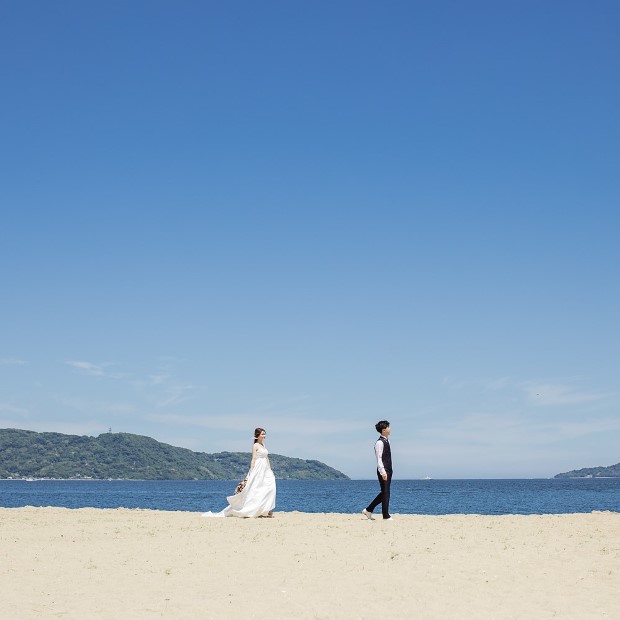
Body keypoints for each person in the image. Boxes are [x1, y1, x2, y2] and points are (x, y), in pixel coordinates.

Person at [202, 428, 276, 518]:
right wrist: (251, 472)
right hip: (258, 468)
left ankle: (264, 509)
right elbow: (253, 459)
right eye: (262, 434)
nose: (264, 436)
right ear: (257, 435)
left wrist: (270, 469)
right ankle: (256, 510)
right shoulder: (255, 445)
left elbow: (266, 458)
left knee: (269, 487)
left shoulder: (263, 445)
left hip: (265, 469)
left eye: (265, 434)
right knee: (255, 489)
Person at [362, 420, 393, 521]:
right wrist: (383, 472)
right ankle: (385, 515)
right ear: (384, 430)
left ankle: (368, 510)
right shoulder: (379, 443)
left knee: (385, 492)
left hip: (388, 469)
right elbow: (379, 458)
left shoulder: (387, 441)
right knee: (386, 492)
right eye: (388, 427)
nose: (390, 429)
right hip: (383, 470)